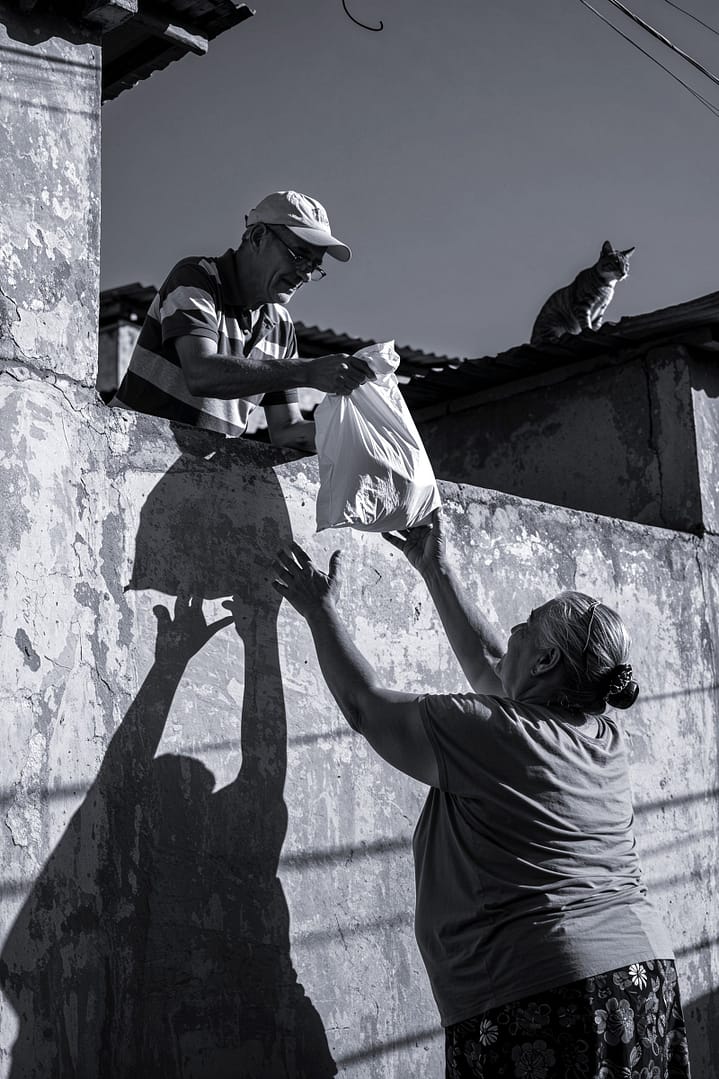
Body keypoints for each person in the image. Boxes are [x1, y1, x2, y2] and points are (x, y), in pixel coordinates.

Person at [271, 511, 691, 1078]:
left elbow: (366, 707)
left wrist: (318, 609)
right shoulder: (602, 737)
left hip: (548, 995)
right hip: (644, 983)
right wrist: (435, 568)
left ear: (546, 661)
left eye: (527, 625)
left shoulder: (496, 734)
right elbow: (494, 664)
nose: (512, 629)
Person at [112, 190, 374, 448]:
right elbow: (201, 374)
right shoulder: (197, 278)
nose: (305, 275)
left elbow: (286, 431)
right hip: (127, 457)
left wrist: (356, 432)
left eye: (314, 266)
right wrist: (307, 372)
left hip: (191, 473)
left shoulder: (281, 327)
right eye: (300, 257)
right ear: (258, 237)